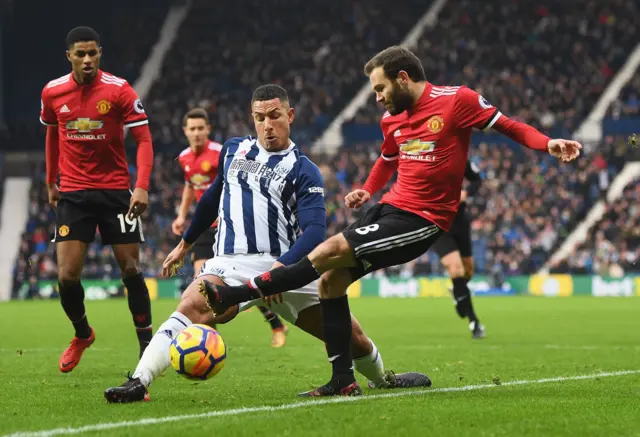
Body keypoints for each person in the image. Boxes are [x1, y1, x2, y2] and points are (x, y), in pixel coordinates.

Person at [188, 46, 583, 397]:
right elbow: (388, 159)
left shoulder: (456, 101)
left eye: (380, 89)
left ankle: (236, 297)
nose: (377, 98)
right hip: (390, 209)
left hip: (424, 218)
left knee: (328, 250)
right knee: (330, 281)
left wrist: (547, 143)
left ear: (403, 78)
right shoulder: (391, 121)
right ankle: (343, 379)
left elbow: (508, 125)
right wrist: (368, 189)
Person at [104, 84, 430, 403]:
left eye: (274, 116)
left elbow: (315, 232)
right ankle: (139, 381)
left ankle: (382, 380)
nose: (267, 125)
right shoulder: (233, 149)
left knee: (350, 337)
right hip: (230, 262)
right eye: (260, 118)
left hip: (286, 266)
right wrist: (185, 244)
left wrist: (282, 267)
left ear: (290, 115)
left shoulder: (305, 171)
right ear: (252, 117)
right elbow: (211, 198)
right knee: (191, 305)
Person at [40, 26, 154, 372]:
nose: (87, 59)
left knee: (131, 269)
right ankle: (82, 333)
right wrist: (50, 182)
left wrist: (143, 185)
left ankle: (147, 350)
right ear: (69, 56)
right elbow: (52, 135)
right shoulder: (53, 92)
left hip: (117, 192)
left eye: (93, 53)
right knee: (67, 276)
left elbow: (144, 140)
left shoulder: (120, 90)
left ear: (100, 53)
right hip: (73, 193)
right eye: (81, 54)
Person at [172, 108, 288, 348]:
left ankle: (276, 324)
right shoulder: (184, 158)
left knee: (244, 281)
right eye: (191, 129)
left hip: (228, 225)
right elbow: (190, 186)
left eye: (200, 128)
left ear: (208, 130)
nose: (196, 133)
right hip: (206, 227)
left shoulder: (219, 154)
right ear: (185, 131)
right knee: (202, 286)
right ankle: (208, 343)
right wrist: (182, 215)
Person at [431, 160, 485, 338]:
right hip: (438, 225)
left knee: (467, 272)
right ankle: (474, 321)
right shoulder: (423, 159)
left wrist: (467, 192)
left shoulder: (460, 158)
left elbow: (477, 180)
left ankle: (457, 291)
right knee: (456, 269)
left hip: (460, 224)